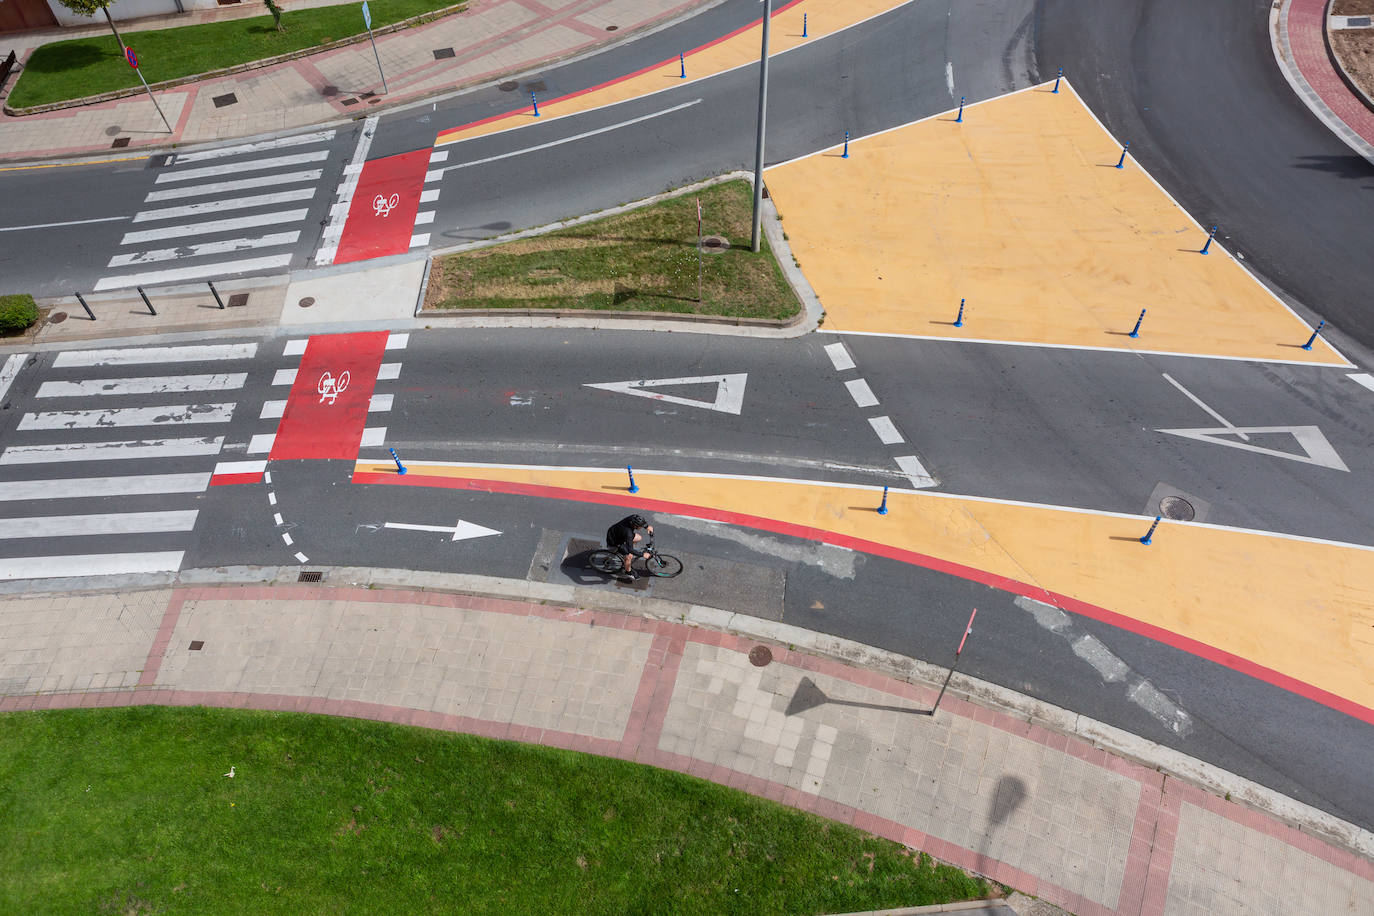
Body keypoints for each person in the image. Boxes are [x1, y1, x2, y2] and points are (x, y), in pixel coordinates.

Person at [606, 514, 653, 579]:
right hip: (615, 542)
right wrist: (642, 554)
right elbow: (630, 549)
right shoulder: (628, 533)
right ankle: (628, 572)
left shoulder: (632, 518)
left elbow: (640, 521)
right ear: (635, 525)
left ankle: (627, 549)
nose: (641, 527)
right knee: (629, 557)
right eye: (640, 526)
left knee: (638, 537)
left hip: (614, 531)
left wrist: (647, 526)